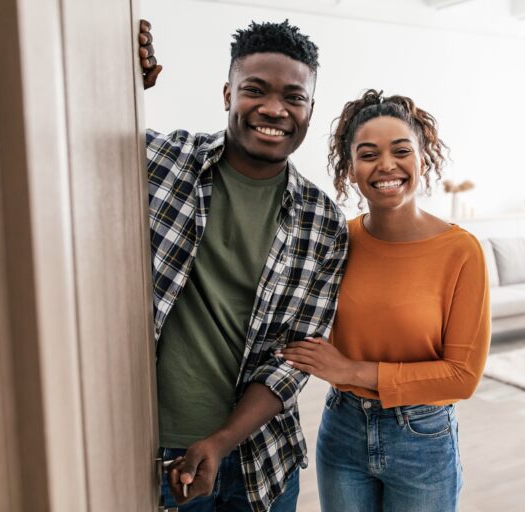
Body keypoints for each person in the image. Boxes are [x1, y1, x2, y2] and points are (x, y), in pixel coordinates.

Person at [138, 20, 348, 512]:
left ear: (310, 110)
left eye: (293, 97)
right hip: (158, 453)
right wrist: (119, 79)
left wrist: (221, 441)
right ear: (228, 93)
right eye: (255, 90)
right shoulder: (163, 161)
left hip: (262, 460)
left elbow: (295, 358)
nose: (274, 109)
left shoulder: (324, 223)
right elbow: (70, 133)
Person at [280, 90, 491, 512]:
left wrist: (349, 369)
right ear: (350, 168)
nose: (386, 166)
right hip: (342, 428)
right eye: (368, 154)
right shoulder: (337, 241)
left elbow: (461, 377)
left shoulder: (461, 251)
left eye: (401, 150)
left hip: (423, 438)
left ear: (423, 158)